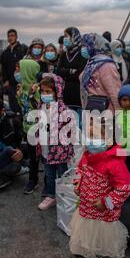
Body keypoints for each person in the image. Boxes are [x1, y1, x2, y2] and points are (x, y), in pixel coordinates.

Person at [62, 118, 130, 258]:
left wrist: (106, 202)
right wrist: (78, 184)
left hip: (105, 213)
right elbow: (79, 172)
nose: (89, 140)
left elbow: (124, 188)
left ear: (108, 141)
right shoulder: (87, 156)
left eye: (94, 136)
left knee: (109, 238)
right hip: (85, 208)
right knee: (83, 234)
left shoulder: (115, 163)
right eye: (88, 135)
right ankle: (82, 257)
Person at [36, 75, 74, 211]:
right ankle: (51, 196)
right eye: (42, 92)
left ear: (56, 92)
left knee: (62, 173)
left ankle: (63, 196)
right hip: (47, 149)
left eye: (48, 92)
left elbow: (69, 132)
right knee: (49, 174)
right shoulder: (41, 107)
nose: (44, 95)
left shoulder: (63, 110)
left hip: (60, 151)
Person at [16, 59, 41, 194]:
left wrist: (32, 95)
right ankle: (33, 180)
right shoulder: (22, 87)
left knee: (41, 156)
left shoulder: (36, 89)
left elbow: (38, 107)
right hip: (28, 128)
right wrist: (19, 96)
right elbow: (23, 107)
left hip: (39, 129)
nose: (18, 72)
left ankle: (49, 183)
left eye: (20, 70)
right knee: (32, 157)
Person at [80, 33, 122, 111]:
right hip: (91, 110)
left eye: (85, 45)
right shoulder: (91, 63)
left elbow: (114, 92)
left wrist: (120, 118)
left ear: (95, 45)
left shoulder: (106, 65)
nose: (83, 48)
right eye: (82, 46)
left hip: (106, 112)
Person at [56, 27, 87, 108]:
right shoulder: (64, 54)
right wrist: (71, 71)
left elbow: (79, 74)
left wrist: (65, 72)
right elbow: (58, 71)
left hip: (78, 92)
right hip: (65, 91)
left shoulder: (82, 54)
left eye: (66, 36)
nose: (64, 39)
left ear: (74, 37)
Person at [0, 29, 28, 114]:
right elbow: (3, 67)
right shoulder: (5, 52)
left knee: (22, 102)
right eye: (9, 36)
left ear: (16, 37)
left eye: (12, 36)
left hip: (22, 81)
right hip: (10, 83)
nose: (10, 38)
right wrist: (5, 80)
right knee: (12, 103)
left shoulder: (22, 49)